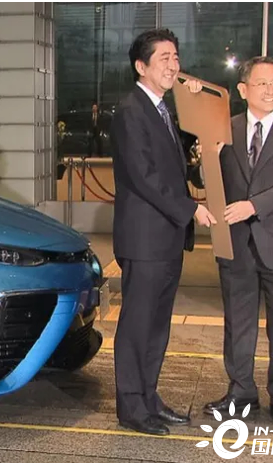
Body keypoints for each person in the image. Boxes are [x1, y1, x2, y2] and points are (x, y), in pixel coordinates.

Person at [191, 57, 273, 425]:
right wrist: (207, 157)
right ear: (243, 90)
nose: (270, 89)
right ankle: (241, 391)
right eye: (262, 83)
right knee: (238, 322)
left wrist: (253, 206)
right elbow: (203, 179)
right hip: (236, 243)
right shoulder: (224, 129)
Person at [110, 29, 216, 436]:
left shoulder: (163, 108)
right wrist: (191, 209)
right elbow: (144, 176)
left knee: (157, 326)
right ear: (141, 66)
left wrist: (196, 107)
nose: (174, 65)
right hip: (145, 239)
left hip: (167, 237)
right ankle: (132, 407)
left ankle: (149, 398)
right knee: (138, 325)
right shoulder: (131, 110)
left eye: (176, 56)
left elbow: (177, 165)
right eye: (164, 58)